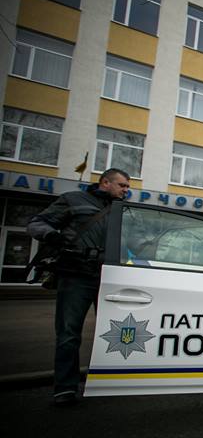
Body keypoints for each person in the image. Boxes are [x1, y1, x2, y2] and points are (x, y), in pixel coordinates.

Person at [26, 168, 131, 406]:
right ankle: (65, 388)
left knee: (119, 334)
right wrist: (52, 236)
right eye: (122, 185)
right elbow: (36, 224)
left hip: (110, 278)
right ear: (105, 182)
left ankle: (112, 384)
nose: (126, 190)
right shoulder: (74, 200)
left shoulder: (124, 210)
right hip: (76, 275)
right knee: (68, 334)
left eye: (127, 187)